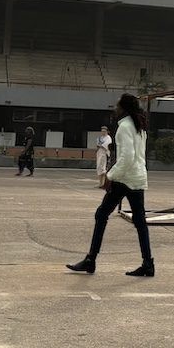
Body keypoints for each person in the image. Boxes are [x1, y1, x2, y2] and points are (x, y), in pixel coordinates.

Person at [68, 93, 154, 278]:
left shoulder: (124, 127)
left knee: (101, 214)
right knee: (140, 221)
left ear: (123, 108)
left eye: (118, 106)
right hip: (138, 177)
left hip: (124, 178)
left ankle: (90, 260)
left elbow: (127, 158)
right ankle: (148, 263)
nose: (115, 108)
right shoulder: (139, 126)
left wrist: (110, 176)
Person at [94, 124, 113, 189]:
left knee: (103, 169)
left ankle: (105, 183)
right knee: (99, 168)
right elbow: (97, 145)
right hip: (99, 153)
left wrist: (100, 145)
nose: (103, 132)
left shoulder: (108, 138)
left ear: (107, 131)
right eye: (102, 131)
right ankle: (100, 183)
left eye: (104, 131)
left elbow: (105, 145)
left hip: (104, 154)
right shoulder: (100, 138)